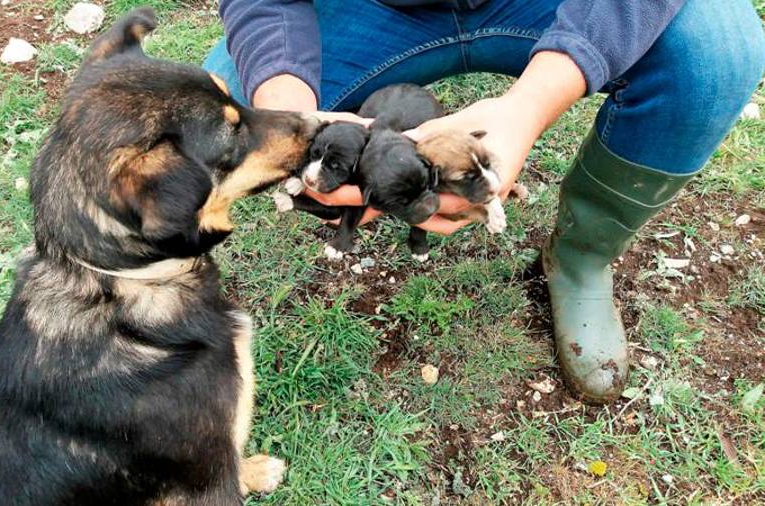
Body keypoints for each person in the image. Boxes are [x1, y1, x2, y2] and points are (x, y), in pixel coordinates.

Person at [202, 0, 765, 404]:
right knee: (215, 97)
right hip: (360, 10)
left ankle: (581, 258)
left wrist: (532, 104)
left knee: (714, 55)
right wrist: (292, 110)